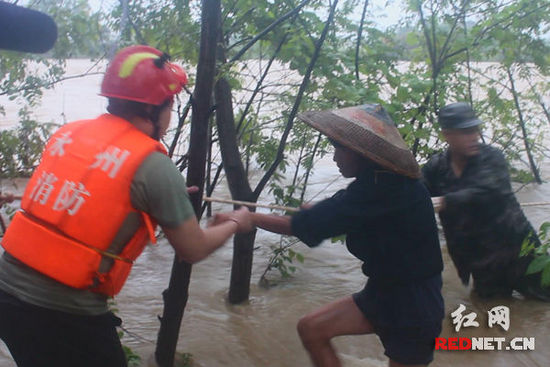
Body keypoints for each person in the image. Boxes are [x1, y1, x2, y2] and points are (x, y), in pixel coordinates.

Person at [0, 45, 253, 367]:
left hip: (6, 297)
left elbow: (96, 196)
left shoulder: (69, 134)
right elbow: (193, 249)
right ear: (161, 106)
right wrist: (234, 223)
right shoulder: (154, 167)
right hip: (66, 314)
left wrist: (165, 199)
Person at [215, 104, 445, 367]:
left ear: (361, 153)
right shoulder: (384, 183)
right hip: (383, 294)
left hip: (415, 308)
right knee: (311, 329)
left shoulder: (379, 190)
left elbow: (301, 226)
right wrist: (319, 214)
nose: (335, 156)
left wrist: (249, 217)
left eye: (339, 147)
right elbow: (343, 208)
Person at [422, 102, 548, 300]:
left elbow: (487, 193)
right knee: (492, 315)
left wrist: (444, 201)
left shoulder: (493, 158)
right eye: (465, 132)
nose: (474, 137)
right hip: (481, 261)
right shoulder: (436, 167)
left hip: (520, 251)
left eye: (475, 130)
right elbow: (415, 194)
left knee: (544, 306)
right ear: (447, 134)